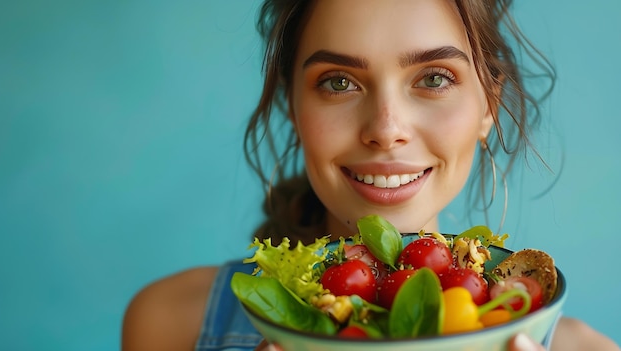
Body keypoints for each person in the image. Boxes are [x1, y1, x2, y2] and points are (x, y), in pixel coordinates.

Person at [121, 1, 620, 350]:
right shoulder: (170, 324)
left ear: (488, 106)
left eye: (433, 78)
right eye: (338, 82)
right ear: (290, 106)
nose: (386, 130)